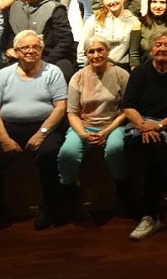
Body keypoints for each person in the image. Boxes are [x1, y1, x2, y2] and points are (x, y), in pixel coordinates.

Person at [0, 30, 67, 234]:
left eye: (35, 46)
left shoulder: (53, 72)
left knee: (50, 154)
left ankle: (49, 209)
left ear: (42, 50)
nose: (30, 51)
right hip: (9, 128)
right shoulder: (3, 74)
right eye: (25, 47)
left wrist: (42, 133)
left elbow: (60, 107)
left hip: (44, 126)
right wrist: (4, 140)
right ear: (16, 51)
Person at [122, 28, 167, 240]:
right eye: (158, 45)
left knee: (152, 152)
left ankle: (150, 216)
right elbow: (128, 106)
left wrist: (159, 126)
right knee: (152, 146)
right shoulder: (140, 73)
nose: (162, 48)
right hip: (142, 126)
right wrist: (144, 125)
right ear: (151, 49)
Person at [57, 36, 130, 213]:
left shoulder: (121, 75)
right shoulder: (78, 77)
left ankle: (123, 189)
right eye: (91, 51)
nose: (96, 55)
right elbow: (72, 113)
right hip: (84, 126)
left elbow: (127, 110)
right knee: (67, 153)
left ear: (107, 52)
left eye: (100, 50)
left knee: (115, 149)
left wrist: (107, 131)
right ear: (86, 55)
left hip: (113, 125)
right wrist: (83, 134)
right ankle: (69, 190)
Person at [5, 0, 76, 84]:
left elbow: (65, 42)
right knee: (1, 73)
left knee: (64, 71)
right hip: (22, 58)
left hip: (50, 58)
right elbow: (10, 36)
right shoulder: (14, 8)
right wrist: (9, 50)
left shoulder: (55, 9)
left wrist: (41, 63)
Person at [78, 0, 140, 71]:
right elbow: (82, 48)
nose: (112, 1)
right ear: (102, 1)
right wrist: (83, 70)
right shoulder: (94, 20)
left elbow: (135, 54)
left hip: (122, 69)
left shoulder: (134, 22)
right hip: (97, 68)